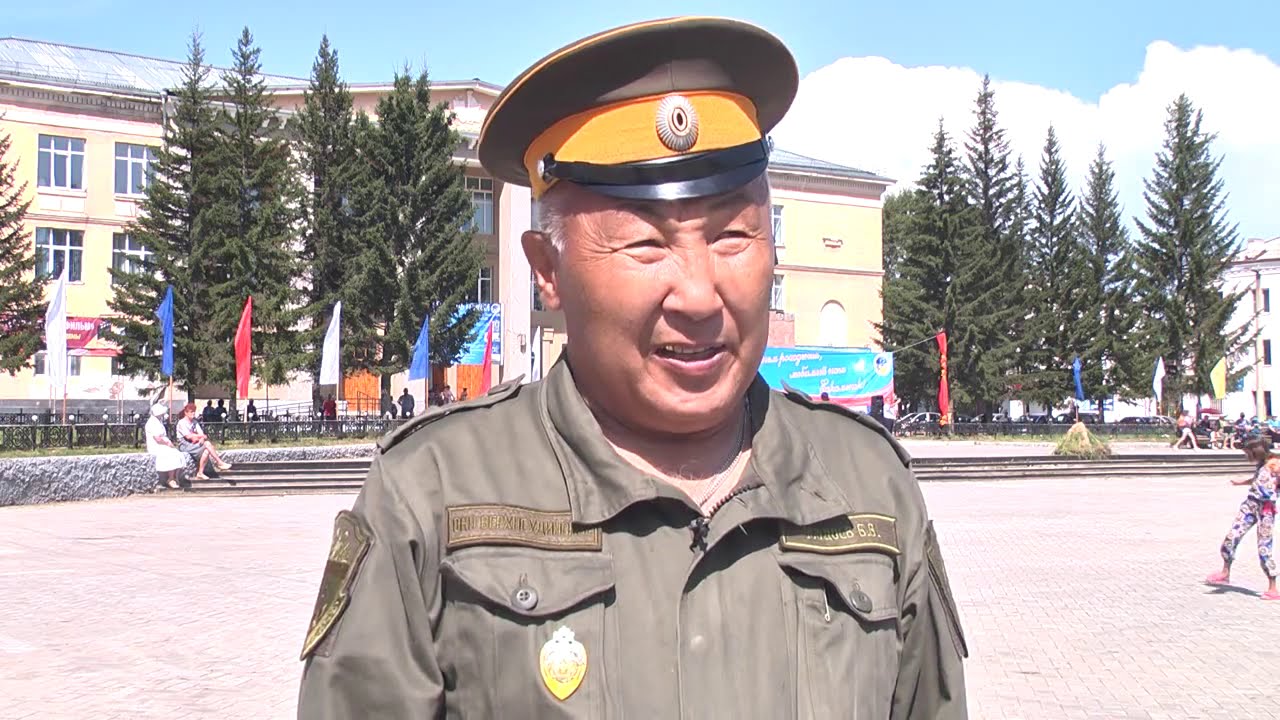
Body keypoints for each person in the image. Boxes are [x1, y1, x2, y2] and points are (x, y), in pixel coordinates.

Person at [296, 17, 967, 719]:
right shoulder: (433, 495)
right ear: (547, 271)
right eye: (647, 246)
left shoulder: (869, 489)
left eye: (733, 236)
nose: (700, 295)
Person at [1205, 431, 1278, 600]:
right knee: (1232, 537)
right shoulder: (1262, 464)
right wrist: (1242, 482)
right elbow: (1259, 479)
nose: (1246, 456)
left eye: (1248, 452)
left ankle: (1273, 587)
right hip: (1250, 505)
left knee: (1264, 546)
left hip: (1265, 509)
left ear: (1256, 451)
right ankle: (1225, 572)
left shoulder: (1275, 464)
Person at [175, 402, 232, 480]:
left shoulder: (195, 422)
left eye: (194, 411)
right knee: (207, 444)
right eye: (191, 412)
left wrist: (201, 438)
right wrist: (200, 436)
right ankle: (219, 462)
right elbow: (188, 436)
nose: (193, 413)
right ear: (186, 413)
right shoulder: (181, 423)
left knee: (206, 451)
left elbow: (202, 435)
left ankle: (200, 473)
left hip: (194, 444)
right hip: (185, 445)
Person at [145, 403, 186, 490]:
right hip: (156, 446)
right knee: (170, 454)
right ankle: (170, 478)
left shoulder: (158, 421)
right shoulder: (152, 423)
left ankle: (175, 477)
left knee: (177, 454)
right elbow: (157, 438)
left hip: (163, 444)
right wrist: (167, 443)